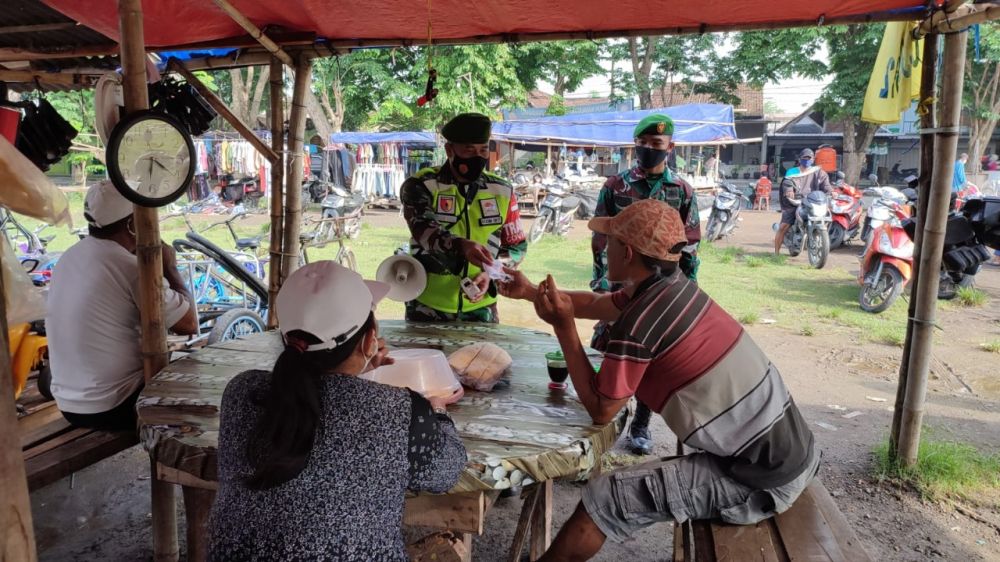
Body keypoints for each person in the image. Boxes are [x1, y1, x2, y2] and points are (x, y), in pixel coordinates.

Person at [499, 200, 818, 561]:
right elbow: (595, 303)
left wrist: (563, 326)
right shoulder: (667, 287)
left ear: (628, 252)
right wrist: (528, 292)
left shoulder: (641, 322)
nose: (605, 248)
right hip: (790, 449)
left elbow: (602, 408)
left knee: (603, 500)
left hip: (760, 476)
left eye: (611, 241)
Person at [209, 261, 466, 561]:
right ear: (370, 341)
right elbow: (446, 472)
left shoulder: (241, 392)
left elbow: (314, 402)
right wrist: (438, 411)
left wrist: (358, 374)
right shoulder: (400, 411)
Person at [45, 181, 198, 431]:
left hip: (69, 404)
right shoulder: (131, 268)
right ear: (131, 224)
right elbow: (189, 324)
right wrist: (168, 265)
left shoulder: (70, 255)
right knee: (202, 375)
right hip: (113, 405)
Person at [591, 114, 700, 456]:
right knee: (608, 347)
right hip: (619, 286)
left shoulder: (681, 191)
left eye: (657, 144)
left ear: (671, 147)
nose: (649, 149)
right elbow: (599, 237)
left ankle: (641, 421)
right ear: (634, 145)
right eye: (644, 144)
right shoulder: (615, 187)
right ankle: (604, 419)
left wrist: (687, 289)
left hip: (660, 292)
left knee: (650, 358)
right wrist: (601, 281)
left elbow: (690, 244)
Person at [400, 112, 527, 323]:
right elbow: (425, 231)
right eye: (469, 150)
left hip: (482, 308)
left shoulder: (502, 190)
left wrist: (492, 272)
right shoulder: (421, 185)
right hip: (427, 305)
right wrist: (461, 246)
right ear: (450, 150)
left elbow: (516, 247)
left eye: (483, 149)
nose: (478, 157)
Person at [774, 148, 833, 255]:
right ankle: (776, 253)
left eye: (809, 158)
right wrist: (789, 190)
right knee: (783, 226)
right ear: (800, 159)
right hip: (795, 202)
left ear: (813, 159)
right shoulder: (792, 171)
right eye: (804, 158)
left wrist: (831, 192)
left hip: (813, 202)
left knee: (827, 215)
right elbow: (787, 182)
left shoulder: (818, 172)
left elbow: (826, 185)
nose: (807, 160)